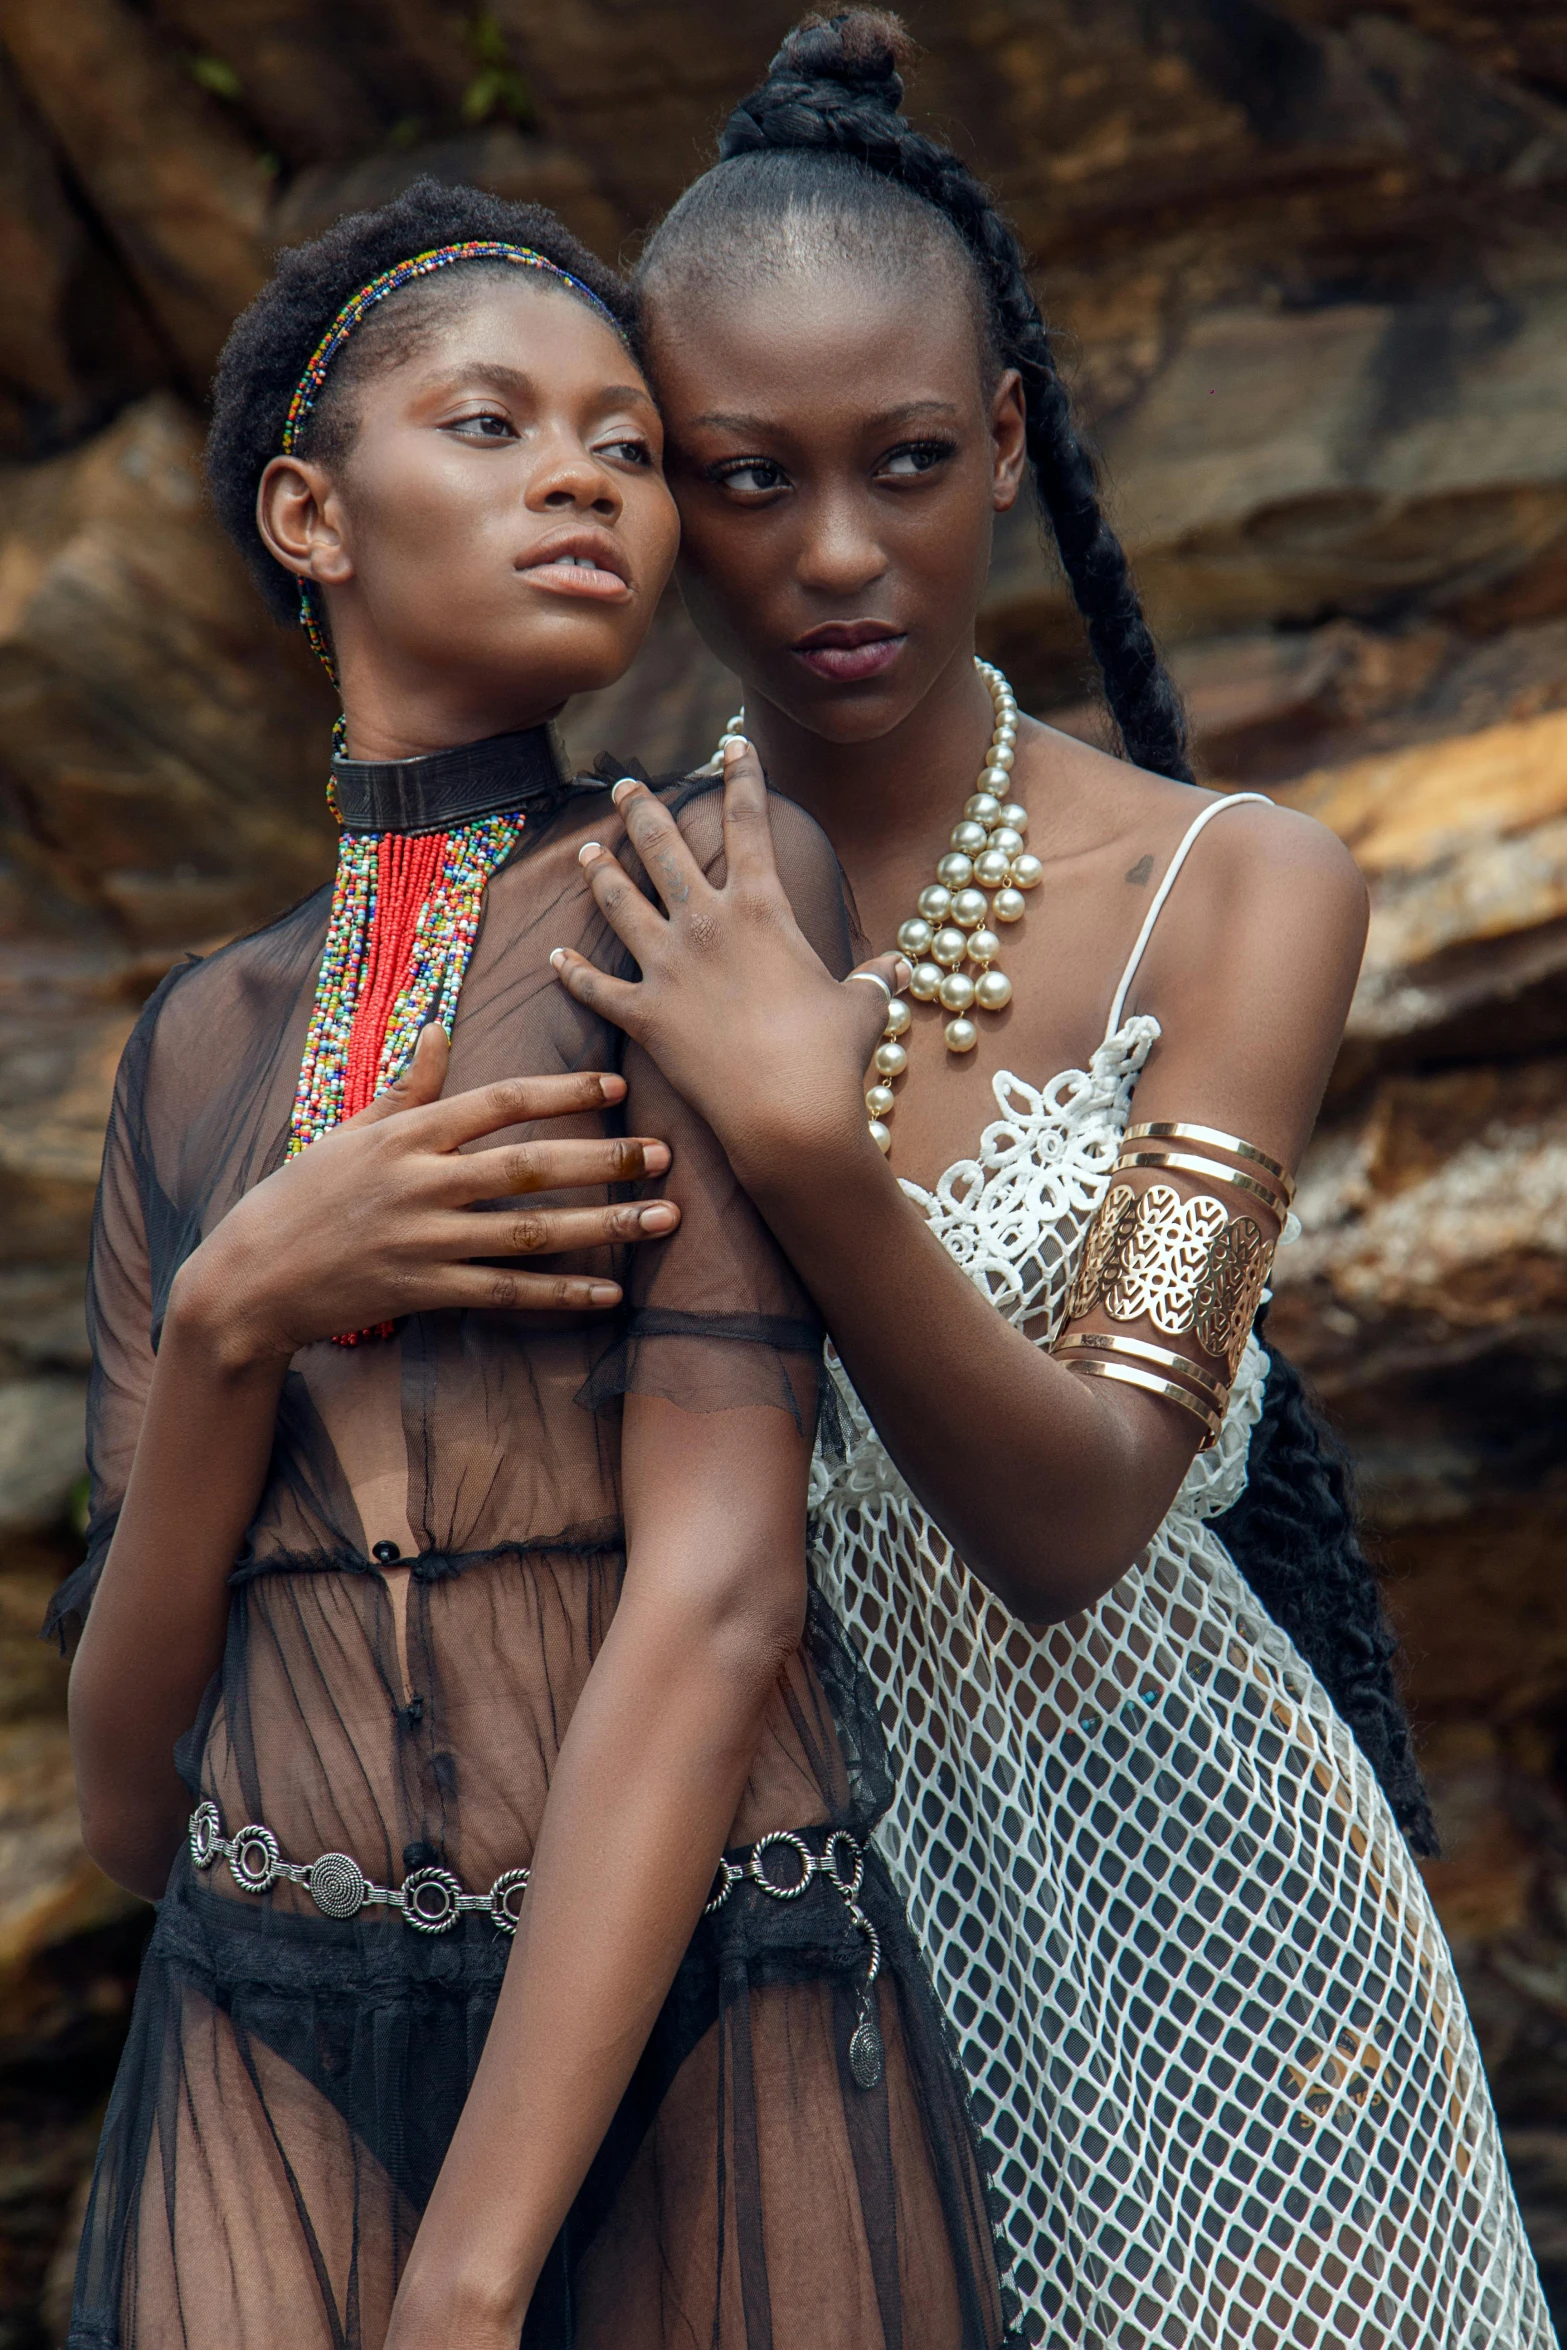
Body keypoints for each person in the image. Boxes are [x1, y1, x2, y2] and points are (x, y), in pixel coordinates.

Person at [551, 16, 1553, 2344]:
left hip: (1228, 2001)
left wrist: (806, 1143)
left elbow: (1090, 1499)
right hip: (775, 1994)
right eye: (743, 475)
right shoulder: (613, 922)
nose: (834, 553)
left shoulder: (1239, 889)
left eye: (905, 462)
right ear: (650, 491)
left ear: (1005, 444)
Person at [54, 178, 1008, 2350]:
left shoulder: (695, 884)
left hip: (712, 1993)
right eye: (494, 423)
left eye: (630, 445)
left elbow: (727, 1584)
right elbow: (128, 1797)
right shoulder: (193, 1047)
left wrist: (469, 2283)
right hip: (256, 2003)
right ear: (313, 511)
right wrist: (231, 1317)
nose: (585, 472)